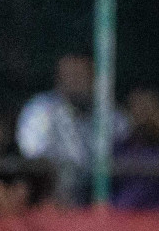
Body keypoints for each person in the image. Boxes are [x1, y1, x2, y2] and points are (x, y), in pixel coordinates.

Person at [16, 54, 128, 207]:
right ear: (58, 79)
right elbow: (33, 155)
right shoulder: (40, 109)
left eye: (81, 75)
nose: (75, 81)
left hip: (102, 199)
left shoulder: (111, 115)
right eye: (69, 75)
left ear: (93, 79)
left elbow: (124, 152)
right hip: (52, 199)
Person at [112, 88, 159, 212]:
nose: (142, 113)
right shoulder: (120, 147)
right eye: (136, 106)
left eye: (147, 107)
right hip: (124, 218)